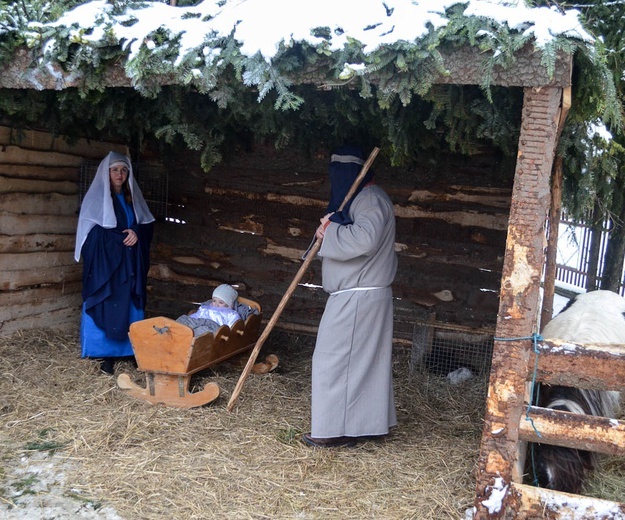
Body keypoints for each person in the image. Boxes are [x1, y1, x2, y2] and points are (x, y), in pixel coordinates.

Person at [302, 145, 398, 448]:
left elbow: (364, 239)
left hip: (359, 296)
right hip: (360, 295)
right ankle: (367, 426)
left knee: (332, 360)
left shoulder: (370, 199)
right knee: (363, 364)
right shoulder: (363, 198)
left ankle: (330, 431)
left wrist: (328, 233)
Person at [75, 151, 155, 375]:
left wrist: (136, 233)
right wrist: (119, 239)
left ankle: (128, 351)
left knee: (129, 301)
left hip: (129, 264)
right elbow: (90, 235)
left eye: (123, 170)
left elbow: (145, 224)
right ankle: (103, 354)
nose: (119, 175)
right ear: (106, 173)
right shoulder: (97, 199)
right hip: (107, 267)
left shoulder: (131, 200)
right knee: (106, 300)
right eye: (115, 170)